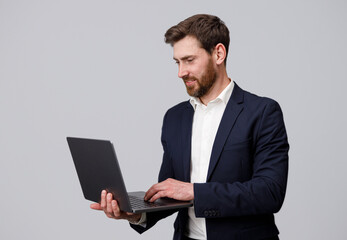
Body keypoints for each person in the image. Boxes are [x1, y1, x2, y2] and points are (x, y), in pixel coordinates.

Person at [90, 14, 289, 240]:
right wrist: (135, 214)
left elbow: (269, 193)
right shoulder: (175, 118)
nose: (181, 72)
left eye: (189, 60)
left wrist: (193, 191)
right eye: (177, 62)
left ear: (219, 54)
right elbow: (170, 195)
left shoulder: (262, 112)